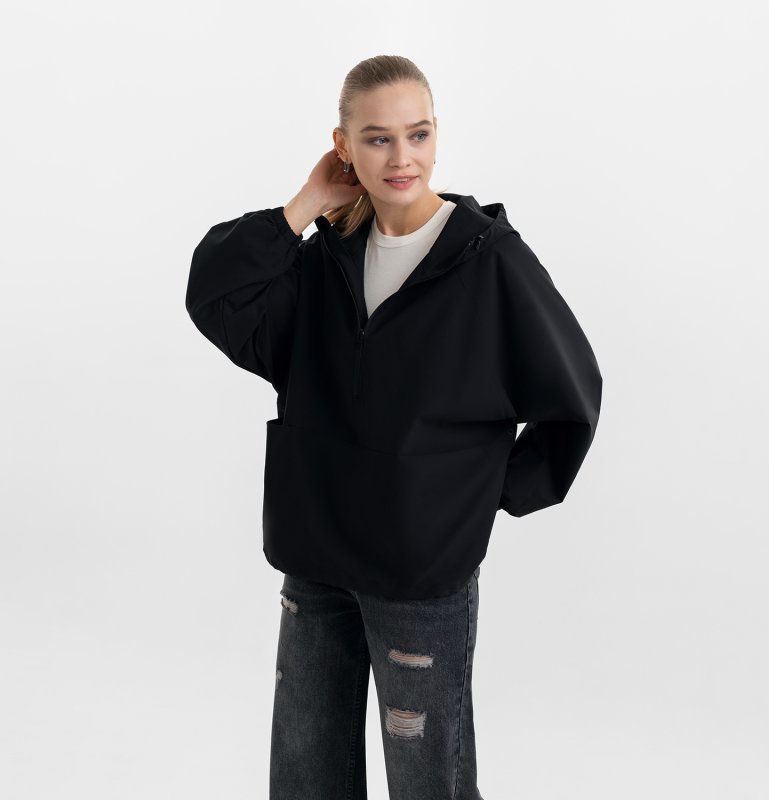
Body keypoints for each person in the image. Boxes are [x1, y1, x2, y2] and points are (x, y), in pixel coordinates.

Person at [186, 54, 602, 800]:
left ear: (437, 134)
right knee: (305, 778)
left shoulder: (489, 261)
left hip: (420, 575)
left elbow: (573, 396)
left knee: (427, 785)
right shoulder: (324, 257)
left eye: (418, 134)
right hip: (316, 559)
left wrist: (475, 496)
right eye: (377, 139)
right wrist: (308, 202)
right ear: (343, 146)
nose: (401, 157)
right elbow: (216, 291)